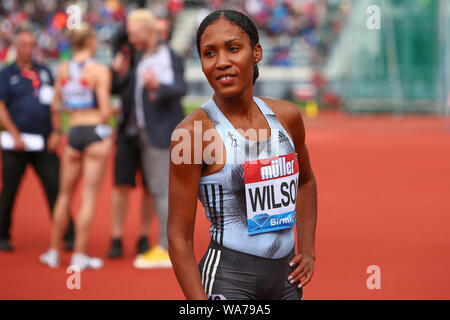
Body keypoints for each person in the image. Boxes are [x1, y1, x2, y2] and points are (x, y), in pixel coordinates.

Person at [168, 10, 318, 300]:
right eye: (209, 53)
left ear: (256, 52)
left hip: (287, 281)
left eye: (233, 48)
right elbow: (178, 237)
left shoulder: (287, 117)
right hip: (228, 281)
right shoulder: (192, 134)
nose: (222, 62)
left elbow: (306, 182)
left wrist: (308, 250)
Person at [40, 24, 113, 270]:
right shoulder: (100, 71)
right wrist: (114, 112)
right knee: (88, 197)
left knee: (64, 195)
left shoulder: (62, 69)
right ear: (91, 41)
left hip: (73, 132)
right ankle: (78, 256)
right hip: (93, 132)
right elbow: (104, 112)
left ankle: (52, 251)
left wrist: (57, 131)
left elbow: (54, 107)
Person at [0, 28, 75, 252]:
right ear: (16, 47)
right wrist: (14, 134)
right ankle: (2, 234)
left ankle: (67, 234)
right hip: (15, 144)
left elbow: (55, 105)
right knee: (9, 190)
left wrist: (57, 132)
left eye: (32, 45)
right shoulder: (6, 74)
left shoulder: (44, 72)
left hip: (44, 142)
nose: (28, 49)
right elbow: (1, 107)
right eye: (24, 45)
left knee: (57, 187)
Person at [124, 9, 187, 269]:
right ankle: (167, 243)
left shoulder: (167, 55)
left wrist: (157, 87)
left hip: (162, 134)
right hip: (143, 133)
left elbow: (181, 88)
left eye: (134, 34)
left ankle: (166, 247)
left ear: (148, 31)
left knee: (163, 190)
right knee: (158, 189)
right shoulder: (140, 55)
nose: (130, 39)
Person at [107, 25, 153, 259]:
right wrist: (120, 72)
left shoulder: (155, 56)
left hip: (150, 134)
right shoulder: (123, 56)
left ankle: (144, 236)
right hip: (126, 132)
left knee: (149, 188)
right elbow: (111, 87)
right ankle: (116, 237)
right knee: (120, 185)